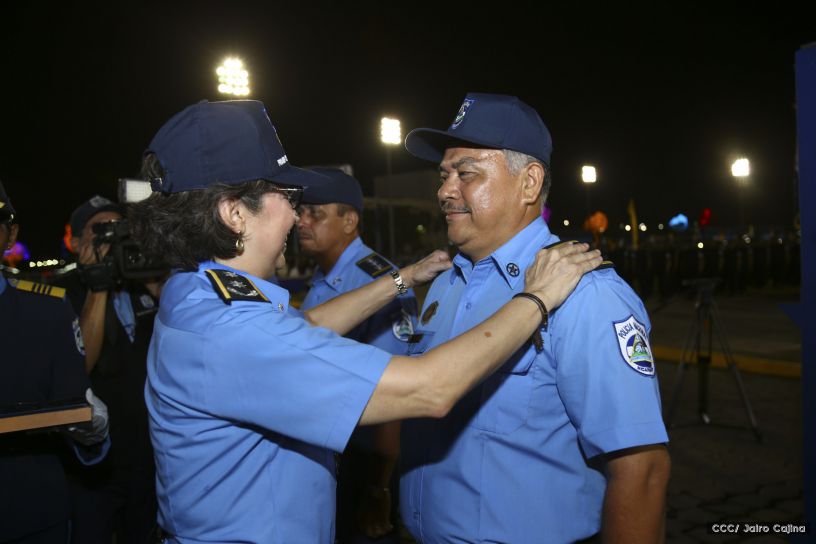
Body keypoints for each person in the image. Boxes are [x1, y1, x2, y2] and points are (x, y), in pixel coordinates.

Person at [127, 99, 602, 543]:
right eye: (287, 195)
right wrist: (537, 298)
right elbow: (429, 388)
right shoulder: (230, 331)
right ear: (234, 214)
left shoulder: (193, 292)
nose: (295, 215)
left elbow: (304, 328)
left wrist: (403, 279)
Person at [399, 92, 671, 544]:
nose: (444, 190)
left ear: (529, 184)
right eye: (444, 175)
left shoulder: (585, 292)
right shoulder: (446, 282)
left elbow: (641, 472)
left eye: (466, 173)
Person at [297, 168, 416, 542]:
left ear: (349, 221)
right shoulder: (325, 277)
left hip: (366, 462)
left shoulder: (377, 282)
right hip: (329, 452)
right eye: (301, 212)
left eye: (315, 213)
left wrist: (378, 488)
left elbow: (392, 392)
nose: (301, 221)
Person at [0, 180, 110, 543]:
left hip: (30, 518)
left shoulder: (48, 314)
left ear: (9, 233)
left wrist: (92, 433)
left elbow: (80, 426)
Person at [54, 195, 160, 543]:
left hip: (147, 456)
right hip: (93, 465)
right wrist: (97, 286)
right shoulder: (62, 293)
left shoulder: (140, 278)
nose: (112, 238)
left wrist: (152, 277)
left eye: (119, 229)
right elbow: (80, 363)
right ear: (75, 242)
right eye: (101, 230)